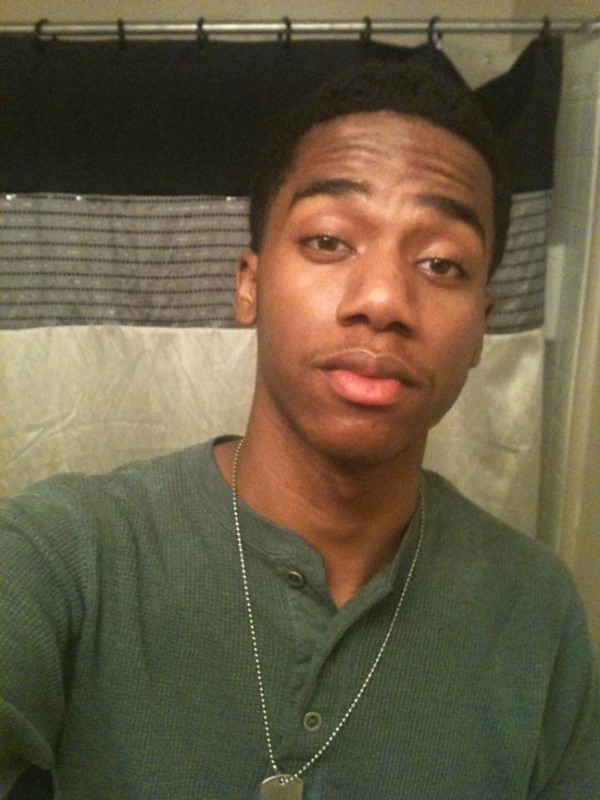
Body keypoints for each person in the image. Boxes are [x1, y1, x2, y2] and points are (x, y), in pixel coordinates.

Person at [1, 60, 598, 800]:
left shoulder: (536, 610)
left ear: (482, 324)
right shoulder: (68, 555)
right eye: (329, 242)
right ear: (249, 284)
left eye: (441, 262)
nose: (383, 300)